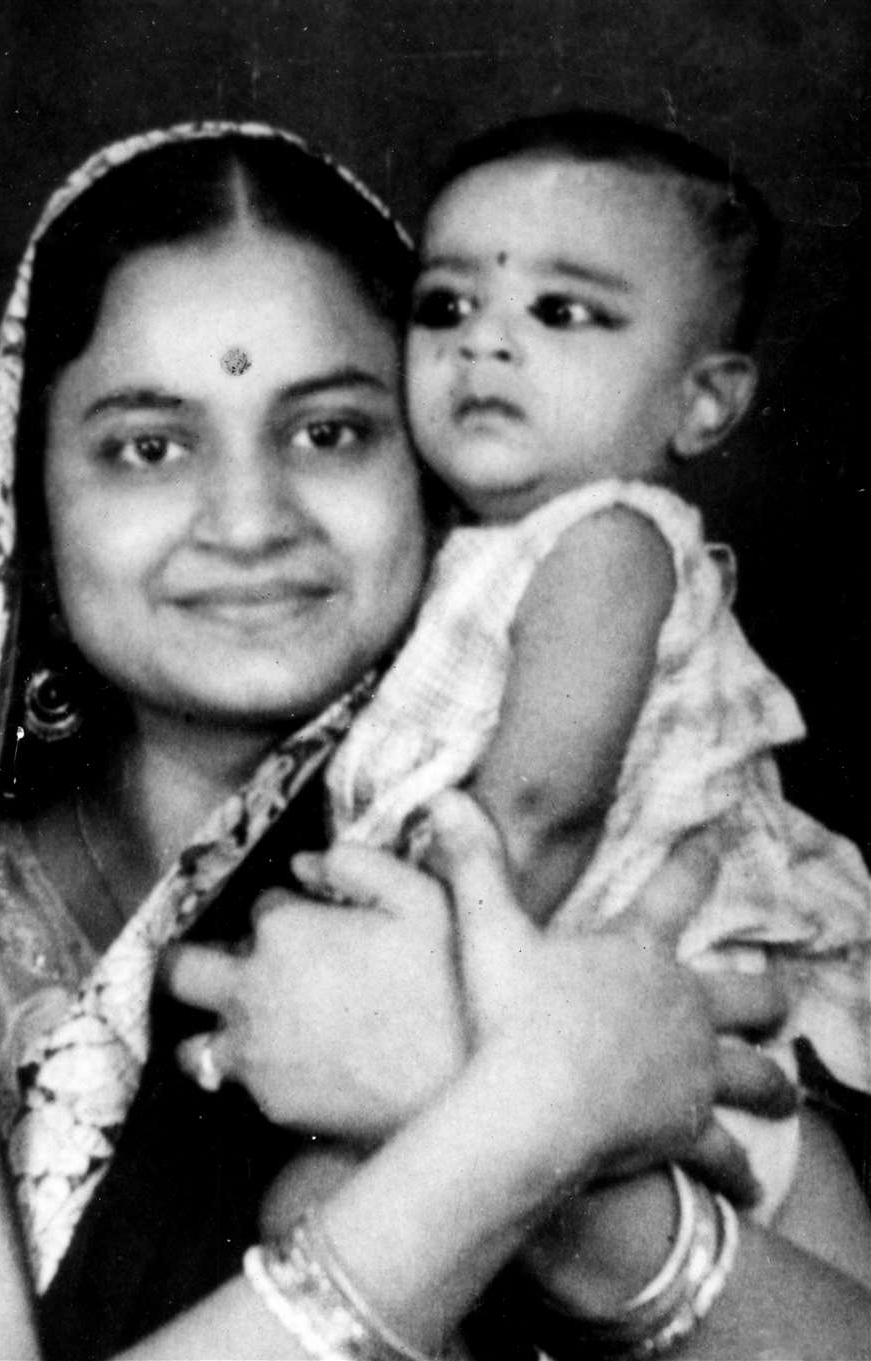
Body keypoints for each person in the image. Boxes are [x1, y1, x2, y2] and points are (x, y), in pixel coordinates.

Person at [0, 123, 866, 1361]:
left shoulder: (627, 836)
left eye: (330, 432)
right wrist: (526, 1113)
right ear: (27, 504)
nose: (249, 520)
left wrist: (486, 1100)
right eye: (149, 445)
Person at [302, 110, 871, 1221]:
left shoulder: (607, 541)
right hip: (546, 987)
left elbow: (544, 804)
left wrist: (410, 986)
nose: (485, 342)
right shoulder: (464, 553)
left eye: (562, 312)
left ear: (700, 402)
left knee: (319, 1209)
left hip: (653, 993)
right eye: (446, 306)